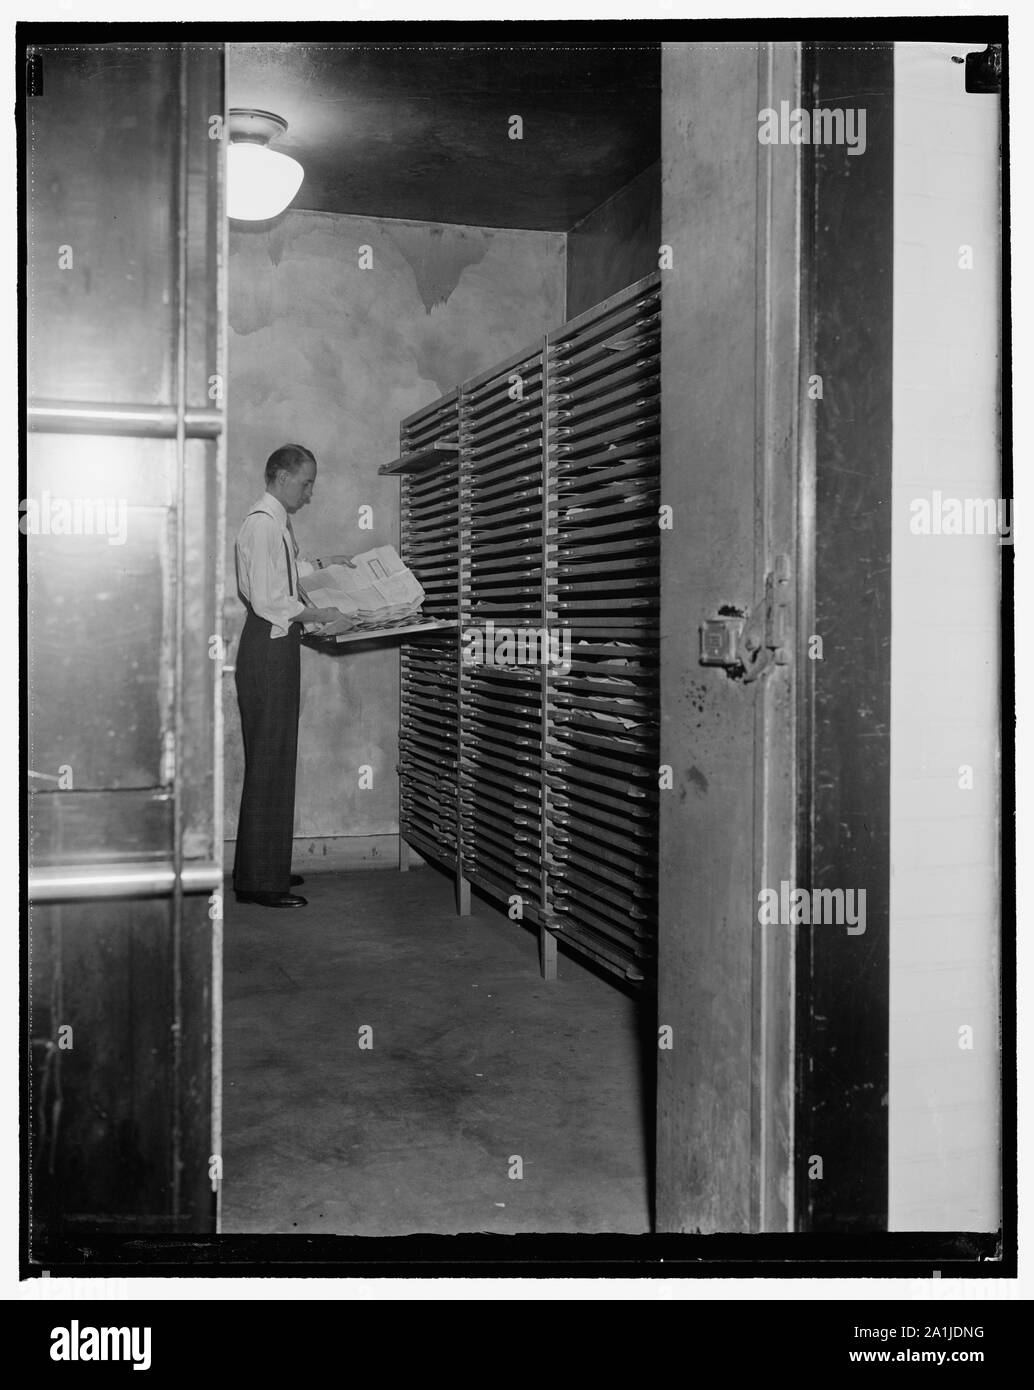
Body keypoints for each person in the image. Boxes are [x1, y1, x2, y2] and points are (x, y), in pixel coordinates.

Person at [232, 444, 354, 908]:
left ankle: (266, 868)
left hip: (276, 642)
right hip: (269, 642)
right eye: (305, 482)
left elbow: (285, 580)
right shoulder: (263, 526)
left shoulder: (276, 524)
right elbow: (268, 599)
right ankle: (260, 883)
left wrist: (328, 574)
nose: (310, 491)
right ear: (281, 477)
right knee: (269, 759)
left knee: (276, 757)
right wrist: (315, 611)